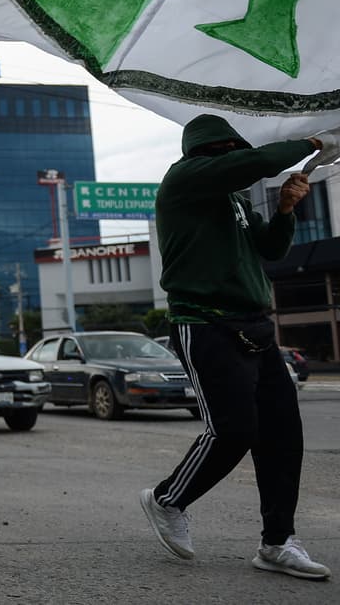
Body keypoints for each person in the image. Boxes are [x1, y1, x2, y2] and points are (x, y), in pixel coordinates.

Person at [139, 115, 332, 581]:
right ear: (216, 148)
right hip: (203, 323)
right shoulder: (184, 179)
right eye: (233, 149)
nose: (238, 156)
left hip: (254, 328)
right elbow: (257, 161)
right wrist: (311, 141)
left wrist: (286, 209)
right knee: (233, 429)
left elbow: (270, 250)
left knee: (283, 435)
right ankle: (167, 500)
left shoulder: (235, 198)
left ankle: (277, 543)